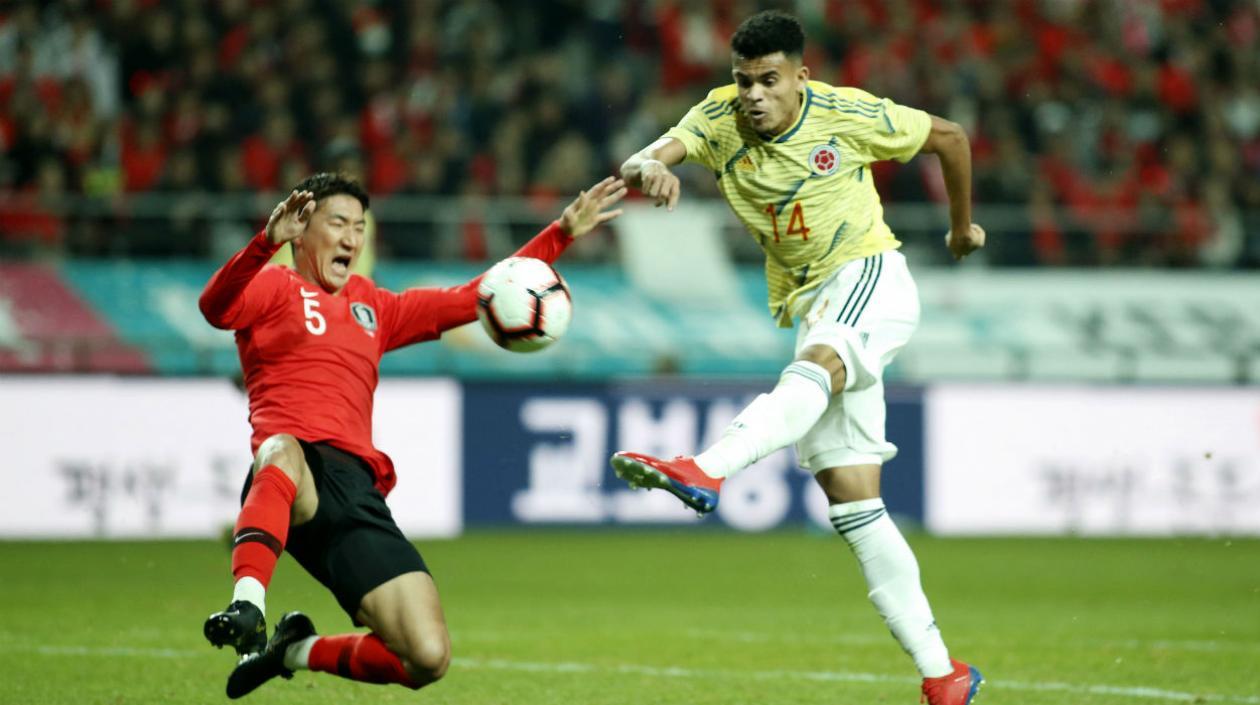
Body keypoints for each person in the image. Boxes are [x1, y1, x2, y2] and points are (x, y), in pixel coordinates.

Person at [608, 11, 985, 705]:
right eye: (743, 79)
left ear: (800, 78)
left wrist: (961, 229)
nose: (753, 94)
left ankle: (706, 468)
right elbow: (646, 154)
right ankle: (945, 675)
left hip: (870, 274)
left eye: (769, 81)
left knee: (816, 362)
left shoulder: (845, 113)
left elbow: (951, 138)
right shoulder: (718, 116)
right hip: (812, 301)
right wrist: (648, 172)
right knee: (853, 501)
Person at [199, 172, 626, 699]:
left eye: (360, 226)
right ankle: (248, 604)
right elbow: (214, 307)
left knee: (426, 656)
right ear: (302, 228)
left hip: (356, 494)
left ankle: (292, 650)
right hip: (291, 481)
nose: (352, 238)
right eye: (339, 223)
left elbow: (479, 296)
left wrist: (561, 232)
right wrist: (266, 243)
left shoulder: (376, 307)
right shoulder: (273, 284)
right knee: (281, 448)